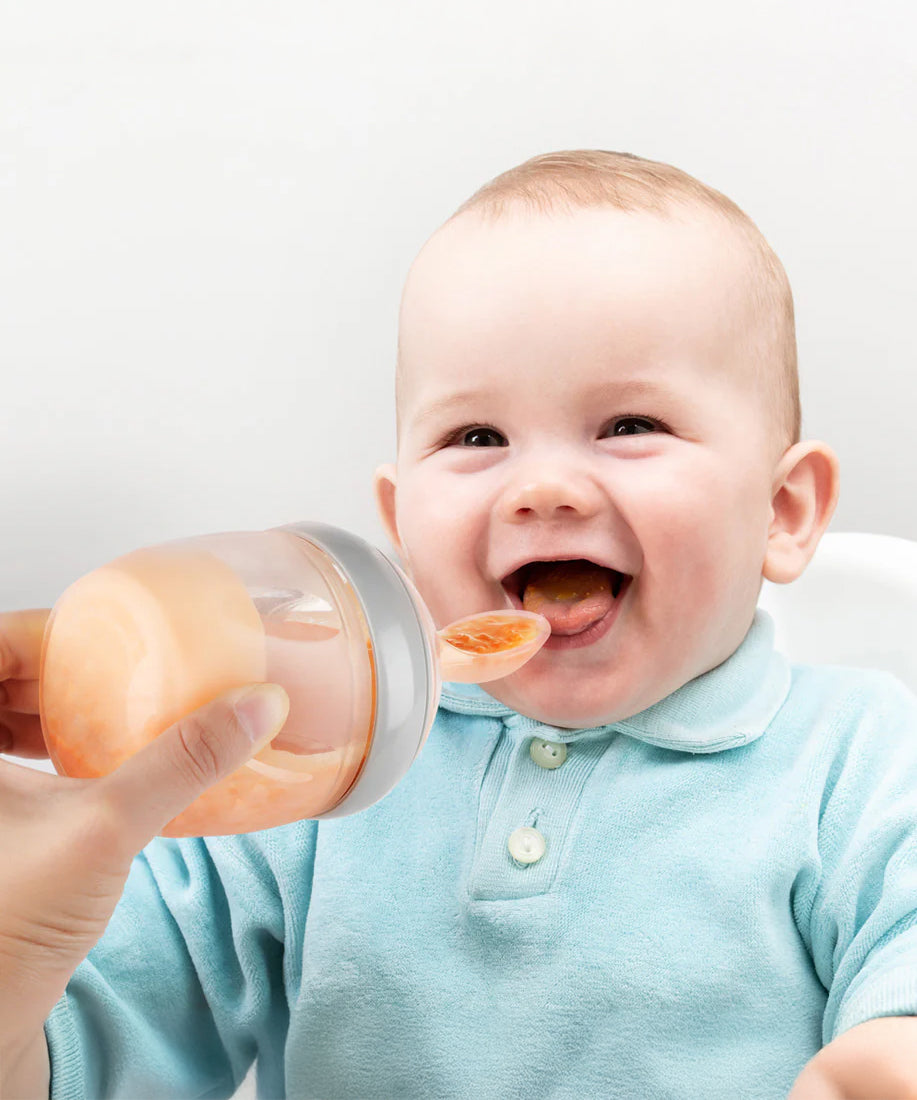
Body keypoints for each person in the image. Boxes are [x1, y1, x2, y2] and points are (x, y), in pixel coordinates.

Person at [2, 150, 917, 1100]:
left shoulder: (859, 764)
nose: (542, 488)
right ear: (399, 528)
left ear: (781, 512)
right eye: (475, 438)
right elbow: (76, 1059)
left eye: (628, 424)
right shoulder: (305, 765)